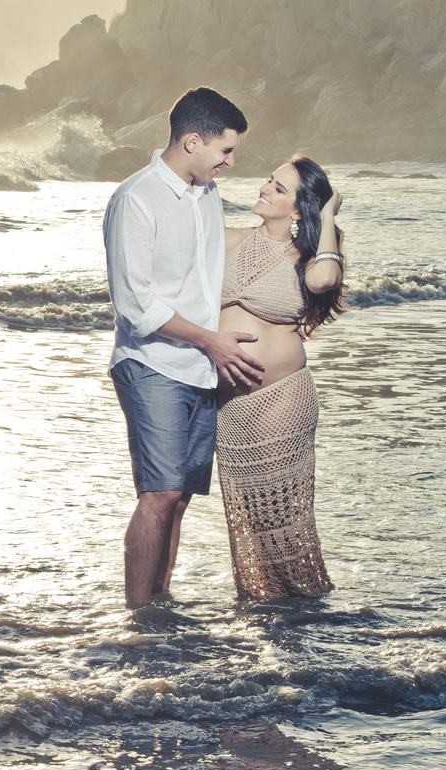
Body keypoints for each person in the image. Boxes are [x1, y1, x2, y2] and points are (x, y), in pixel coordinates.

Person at [104, 87, 263, 607]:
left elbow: (215, 247)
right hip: (151, 363)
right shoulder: (136, 198)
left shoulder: (205, 195)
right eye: (225, 151)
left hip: (199, 366)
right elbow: (136, 304)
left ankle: (160, 603)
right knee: (160, 494)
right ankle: (137, 616)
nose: (230, 162)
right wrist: (211, 340)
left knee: (180, 501)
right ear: (192, 141)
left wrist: (291, 227)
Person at [215, 155, 344, 599]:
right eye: (270, 180)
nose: (265, 187)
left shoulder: (305, 258)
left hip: (282, 401)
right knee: (249, 515)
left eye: (280, 188)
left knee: (281, 517)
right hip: (232, 407)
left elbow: (327, 277)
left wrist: (326, 216)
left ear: (298, 211)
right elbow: (180, 233)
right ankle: (267, 601)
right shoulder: (235, 241)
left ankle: (300, 604)